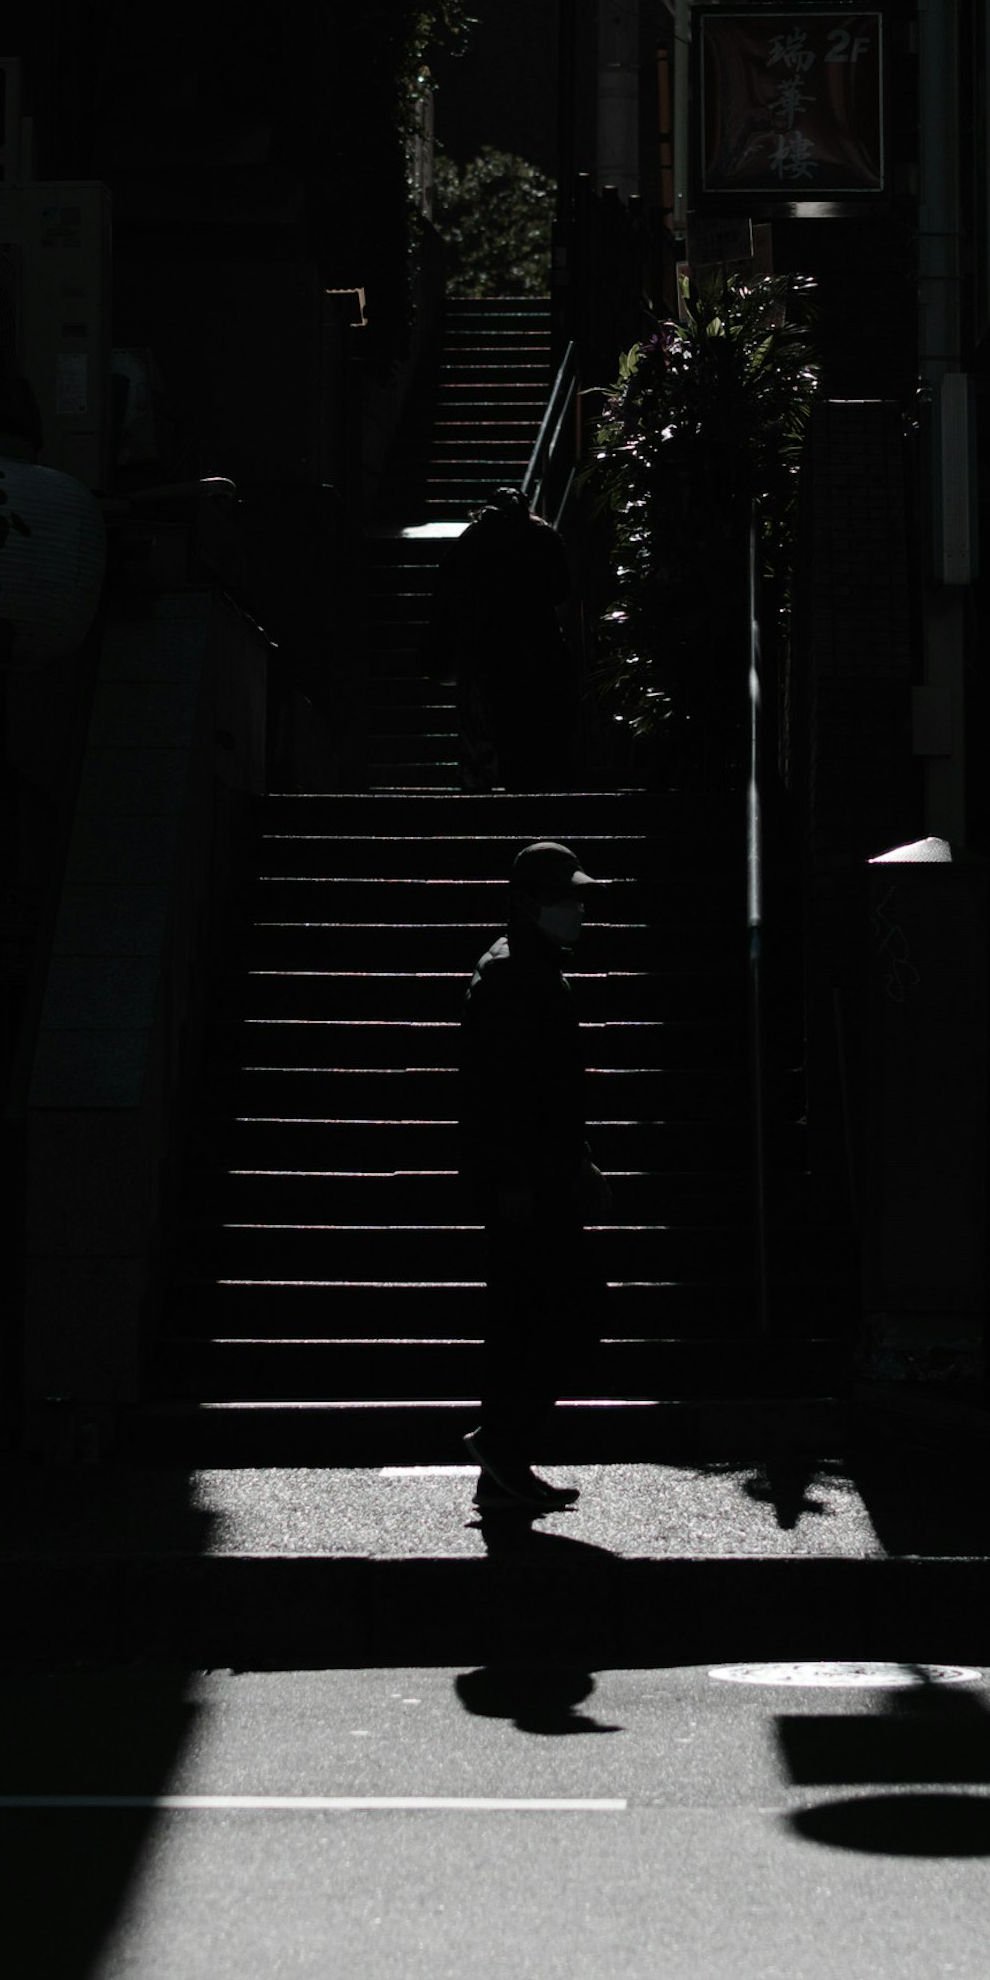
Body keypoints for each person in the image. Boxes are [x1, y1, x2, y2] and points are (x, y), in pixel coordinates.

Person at [456, 834, 600, 1512]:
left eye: (576, 896)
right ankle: (503, 1441)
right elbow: (504, 1093)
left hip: (536, 1176)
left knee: (524, 1319)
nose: (575, 908)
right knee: (564, 1314)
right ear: (525, 902)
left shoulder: (527, 966)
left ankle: (503, 1464)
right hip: (528, 1183)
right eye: (562, 896)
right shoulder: (517, 976)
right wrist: (519, 1177)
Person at [421, 485, 575, 790]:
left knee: (485, 719)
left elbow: (446, 584)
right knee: (532, 718)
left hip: (486, 645)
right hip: (536, 644)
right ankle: (531, 779)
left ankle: (483, 780)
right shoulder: (542, 538)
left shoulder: (474, 538)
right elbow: (562, 589)